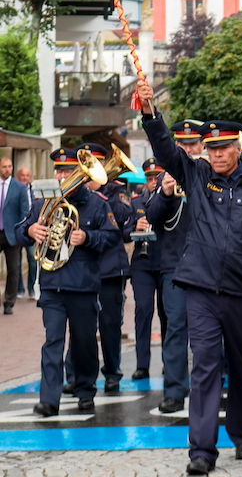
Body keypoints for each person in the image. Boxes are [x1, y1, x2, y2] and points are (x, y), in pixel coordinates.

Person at [137, 81, 242, 470]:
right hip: (201, 287)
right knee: (205, 364)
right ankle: (201, 452)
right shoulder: (196, 176)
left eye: (224, 147)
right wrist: (151, 112)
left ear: (239, 148)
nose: (218, 154)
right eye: (212, 148)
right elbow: (166, 150)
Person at [16, 147, 119, 416]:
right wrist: (30, 230)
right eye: (59, 171)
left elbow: (112, 237)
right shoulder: (41, 203)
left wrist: (87, 238)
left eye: (68, 170)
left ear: (80, 174)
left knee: (84, 341)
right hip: (51, 284)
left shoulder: (97, 204)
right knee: (53, 341)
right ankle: (49, 399)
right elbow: (18, 232)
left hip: (83, 285)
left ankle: (85, 389)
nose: (63, 176)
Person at [147, 120, 204, 412]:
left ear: (202, 145)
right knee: (175, 330)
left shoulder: (208, 173)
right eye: (181, 143)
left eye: (192, 143)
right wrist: (166, 194)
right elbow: (153, 218)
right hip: (174, 265)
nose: (187, 148)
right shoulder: (166, 176)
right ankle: (174, 391)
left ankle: (209, 386)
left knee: (207, 332)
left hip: (206, 265)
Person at [70, 142, 132, 393]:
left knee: (109, 324)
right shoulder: (75, 193)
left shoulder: (116, 191)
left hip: (110, 268)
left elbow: (122, 216)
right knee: (80, 325)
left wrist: (99, 190)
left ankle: (112, 372)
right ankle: (76, 374)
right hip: (82, 269)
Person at [123, 157, 167, 380]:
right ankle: (142, 364)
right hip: (142, 263)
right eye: (149, 178)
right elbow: (123, 233)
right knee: (143, 311)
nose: (153, 182)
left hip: (166, 262)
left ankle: (169, 362)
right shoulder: (136, 202)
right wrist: (134, 226)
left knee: (167, 313)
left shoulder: (172, 199)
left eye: (156, 177)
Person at [0, 156, 30, 314]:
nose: (7, 169)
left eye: (10, 166)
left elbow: (24, 212)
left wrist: (20, 233)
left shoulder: (19, 187)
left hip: (11, 235)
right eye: (4, 166)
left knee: (13, 269)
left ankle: (9, 303)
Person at [16, 166, 36, 300]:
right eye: (22, 175)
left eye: (27, 175)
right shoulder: (15, 189)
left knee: (32, 259)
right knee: (16, 262)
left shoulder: (34, 191)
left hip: (30, 228)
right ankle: (20, 289)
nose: (25, 178)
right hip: (17, 229)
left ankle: (32, 288)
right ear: (18, 176)